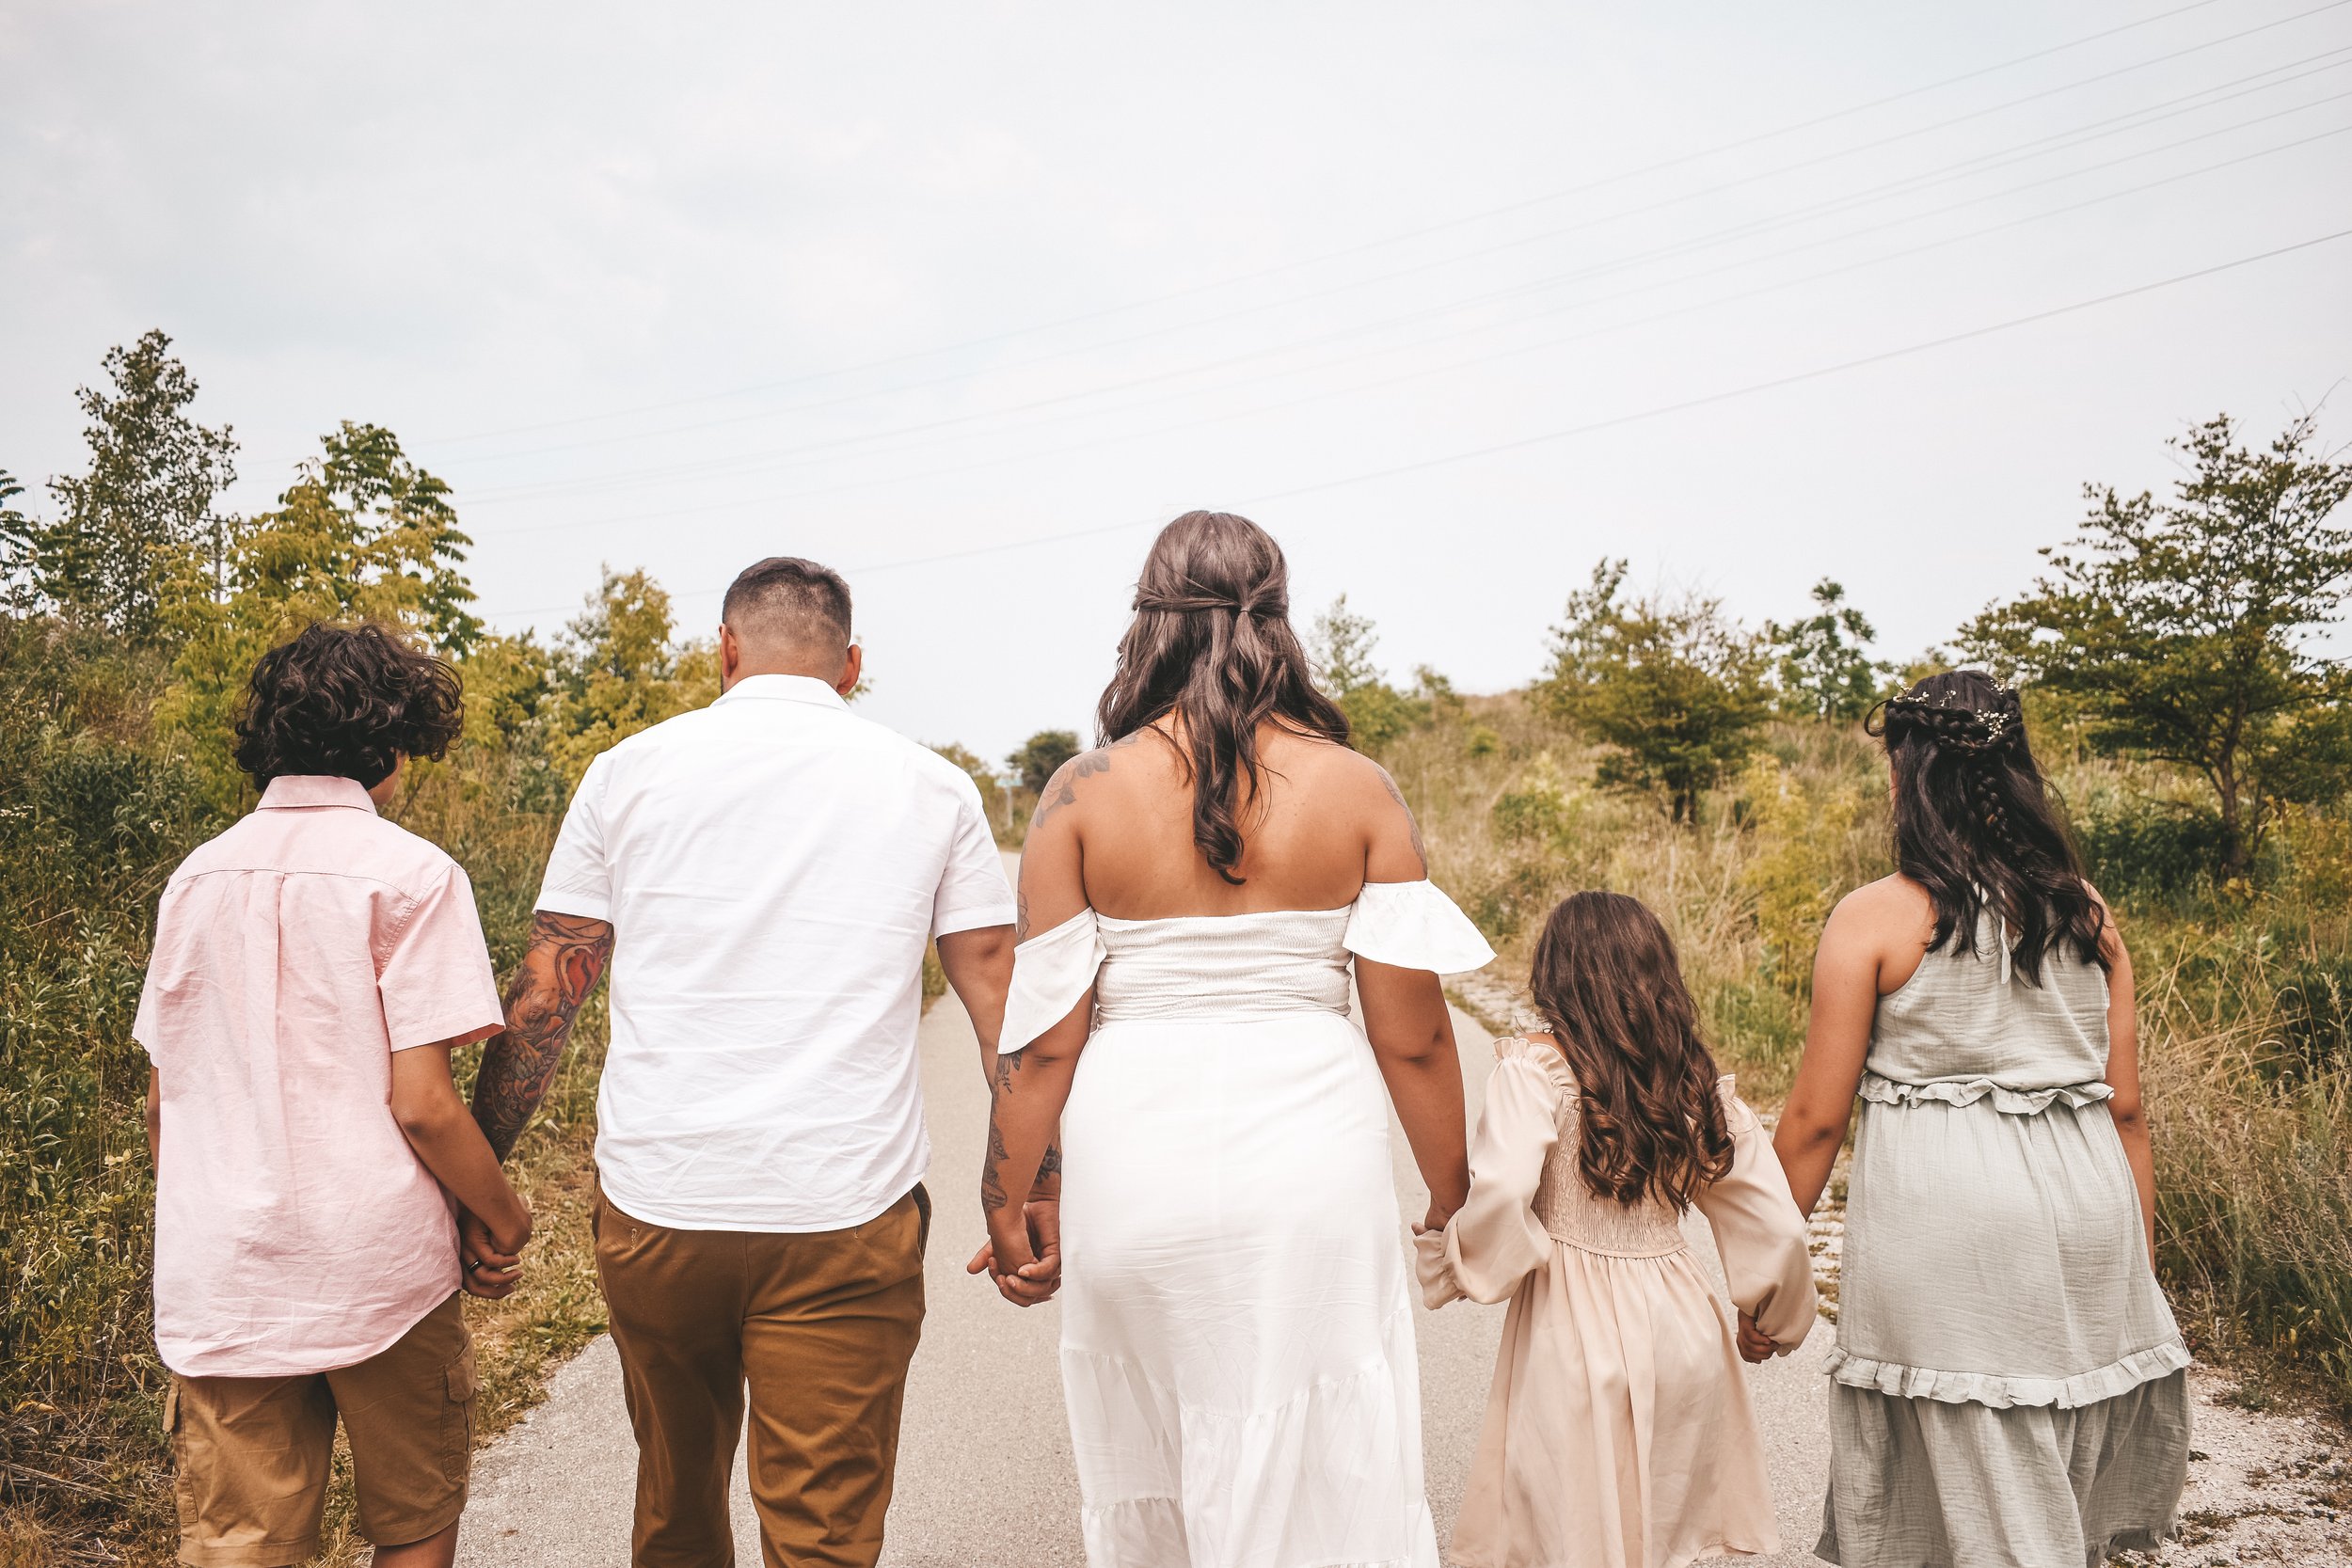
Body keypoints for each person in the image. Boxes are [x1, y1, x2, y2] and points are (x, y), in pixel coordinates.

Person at [468, 555, 1021, 1568]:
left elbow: (548, 991)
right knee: (824, 1535)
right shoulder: (933, 786)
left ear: (723, 649)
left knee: (675, 1514)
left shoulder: (626, 772)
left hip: (660, 1205)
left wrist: (472, 1172)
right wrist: (1025, 1187)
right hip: (842, 1210)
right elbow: (1001, 1008)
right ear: (850, 664)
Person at [977, 510, 1494, 1568]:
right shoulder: (1358, 788)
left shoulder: (1080, 792)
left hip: (1134, 1160)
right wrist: (1452, 1191)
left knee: (1159, 1441)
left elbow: (1041, 1046)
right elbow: (1416, 1042)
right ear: (1279, 620)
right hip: (1311, 1157)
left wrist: (1015, 1193)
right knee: (1319, 1434)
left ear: (1147, 623)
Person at [1773, 671, 2191, 1564]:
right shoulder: (2089, 916)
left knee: (1978, 1495)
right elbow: (2127, 1109)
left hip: (1951, 1229)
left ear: (1908, 775)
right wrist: (2135, 1266)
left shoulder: (1876, 917)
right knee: (2049, 1484)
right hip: (2088, 1215)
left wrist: (1765, 1267)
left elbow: (1815, 1118)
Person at [135, 622, 527, 1568]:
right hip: (378, 1265)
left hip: (227, 1272)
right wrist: (502, 1216)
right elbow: (425, 1102)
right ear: (392, 744)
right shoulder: (414, 876)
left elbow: (164, 1101)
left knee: (239, 1543)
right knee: (414, 1518)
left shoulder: (195, 878)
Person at [1415, 891, 1817, 1568]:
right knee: (1658, 1534)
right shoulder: (1693, 1083)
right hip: (1684, 1329)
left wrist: (1457, 1257)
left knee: (1576, 1533)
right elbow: (1776, 1221)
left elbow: (1505, 1188)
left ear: (1553, 974)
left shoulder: (1534, 1071)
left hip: (1571, 1333)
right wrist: (1773, 1315)